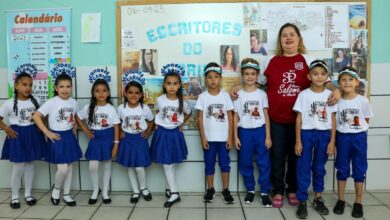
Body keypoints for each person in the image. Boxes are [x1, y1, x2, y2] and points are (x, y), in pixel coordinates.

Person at [231, 23, 340, 209]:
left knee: (297, 156)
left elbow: (326, 82)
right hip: (276, 120)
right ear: (280, 40)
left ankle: (293, 189)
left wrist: (336, 91)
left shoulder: (307, 59)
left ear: (299, 39)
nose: (288, 38)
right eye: (284, 35)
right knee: (277, 157)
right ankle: (278, 190)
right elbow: (254, 82)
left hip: (303, 122)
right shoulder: (271, 60)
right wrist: (237, 87)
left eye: (292, 34)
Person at [293, 60, 337, 219]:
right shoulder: (303, 95)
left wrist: (332, 142)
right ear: (309, 76)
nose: (319, 77)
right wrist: (298, 140)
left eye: (323, 74)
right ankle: (302, 200)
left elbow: (332, 120)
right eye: (315, 73)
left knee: (319, 167)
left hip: (324, 135)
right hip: (306, 134)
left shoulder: (329, 96)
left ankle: (318, 197)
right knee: (303, 167)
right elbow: (298, 119)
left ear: (327, 76)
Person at [33, 73, 82, 206]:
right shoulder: (51, 102)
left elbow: (74, 116)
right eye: (61, 86)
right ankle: (56, 189)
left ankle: (66, 194)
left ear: (71, 87)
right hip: (57, 137)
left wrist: (75, 126)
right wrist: (47, 132)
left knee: (70, 167)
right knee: (62, 169)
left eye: (68, 86)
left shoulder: (73, 102)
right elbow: (36, 116)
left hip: (69, 137)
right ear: (56, 88)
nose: (65, 89)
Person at [0, 72, 46, 209]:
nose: (28, 88)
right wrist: (6, 128)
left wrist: (40, 125)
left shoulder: (36, 100)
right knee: (18, 167)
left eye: (30, 85)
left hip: (32, 135)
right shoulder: (8, 103)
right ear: (16, 85)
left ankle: (28, 194)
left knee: (30, 165)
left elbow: (42, 116)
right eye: (24, 84)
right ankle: (14, 196)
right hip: (17, 136)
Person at [333, 67, 373, 218]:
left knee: (359, 169)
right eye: (343, 79)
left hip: (359, 138)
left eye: (350, 79)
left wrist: (359, 131)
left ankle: (358, 201)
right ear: (339, 83)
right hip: (342, 137)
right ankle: (341, 199)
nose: (347, 82)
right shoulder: (337, 101)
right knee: (342, 168)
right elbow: (335, 121)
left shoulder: (363, 101)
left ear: (356, 82)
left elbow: (366, 119)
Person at [149, 66, 192, 208]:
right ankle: (172, 190)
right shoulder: (160, 99)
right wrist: (156, 124)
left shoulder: (182, 102)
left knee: (170, 162)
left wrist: (182, 123)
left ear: (179, 85)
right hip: (162, 133)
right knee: (167, 163)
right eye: (169, 83)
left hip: (174, 134)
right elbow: (158, 113)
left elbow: (188, 113)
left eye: (175, 83)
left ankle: (173, 192)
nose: (172, 86)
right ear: (164, 85)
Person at [233, 58, 272, 206]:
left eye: (253, 74)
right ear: (242, 75)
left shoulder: (262, 94)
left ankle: (264, 192)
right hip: (244, 132)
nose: (250, 76)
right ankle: (250, 190)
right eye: (247, 73)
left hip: (260, 131)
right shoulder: (238, 94)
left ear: (257, 76)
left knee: (264, 163)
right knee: (245, 163)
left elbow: (266, 115)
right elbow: (235, 116)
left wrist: (268, 136)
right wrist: (235, 136)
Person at [76, 78, 120, 205]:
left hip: (108, 137)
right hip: (95, 139)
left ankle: (105, 192)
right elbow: (77, 118)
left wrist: (116, 144)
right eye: (97, 91)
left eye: (104, 91)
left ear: (108, 93)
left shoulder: (111, 108)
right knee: (93, 166)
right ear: (93, 93)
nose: (101, 93)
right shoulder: (88, 107)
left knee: (107, 165)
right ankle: (96, 190)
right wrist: (86, 130)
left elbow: (117, 126)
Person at [195, 62, 234, 204]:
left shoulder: (225, 96)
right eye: (210, 77)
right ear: (206, 79)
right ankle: (210, 189)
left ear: (220, 78)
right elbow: (200, 119)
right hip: (209, 139)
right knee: (209, 164)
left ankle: (225, 189)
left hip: (224, 139)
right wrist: (203, 137)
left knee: (225, 164)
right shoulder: (203, 97)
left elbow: (230, 117)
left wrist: (229, 137)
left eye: (216, 77)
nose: (213, 80)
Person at [116, 80, 154, 204]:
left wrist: (148, 131)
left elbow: (152, 120)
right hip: (127, 139)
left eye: (137, 93)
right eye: (130, 92)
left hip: (140, 140)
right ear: (125, 94)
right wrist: (121, 131)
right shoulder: (121, 108)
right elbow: (117, 122)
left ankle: (143, 188)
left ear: (141, 95)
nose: (133, 95)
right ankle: (135, 191)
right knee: (130, 166)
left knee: (139, 167)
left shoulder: (144, 108)